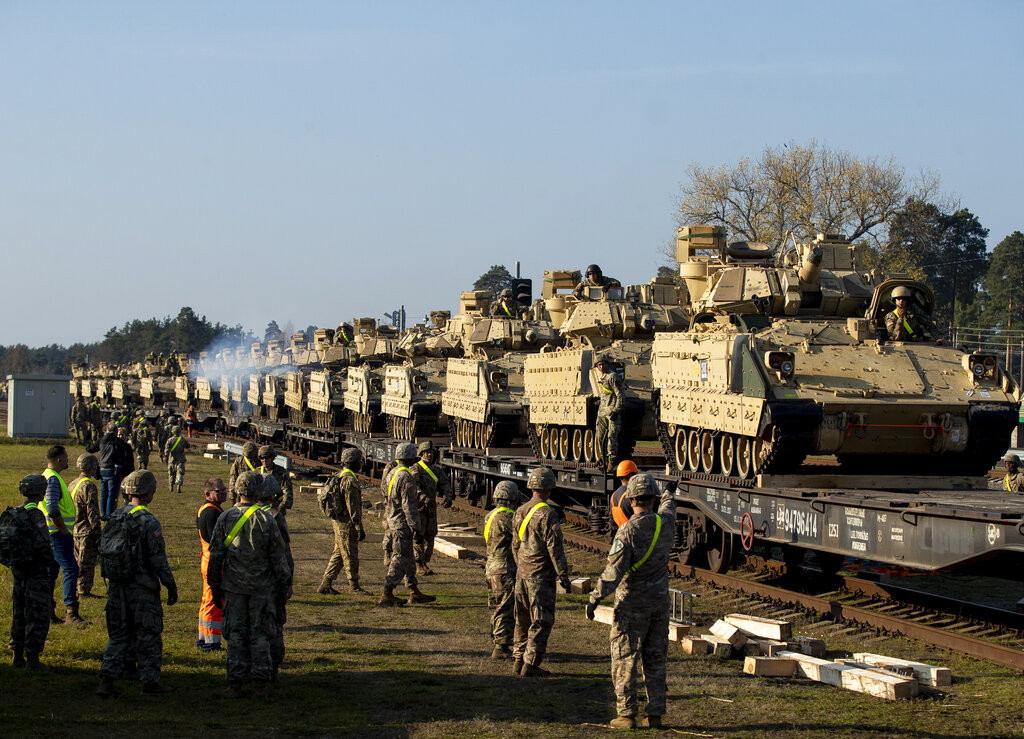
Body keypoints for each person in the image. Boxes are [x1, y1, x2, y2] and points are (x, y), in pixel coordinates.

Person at [586, 473, 676, 729]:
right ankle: (655, 714)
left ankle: (626, 715)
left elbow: (613, 574)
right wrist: (670, 492)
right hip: (659, 605)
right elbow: (669, 507)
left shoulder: (627, 531)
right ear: (653, 499)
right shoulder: (665, 524)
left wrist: (594, 598)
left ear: (631, 499)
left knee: (625, 658)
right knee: (655, 660)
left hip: (632, 605)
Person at [206, 471, 292, 698]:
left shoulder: (225, 518)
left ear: (237, 490)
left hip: (233, 589)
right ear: (258, 491)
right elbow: (279, 561)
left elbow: (215, 557)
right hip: (262, 590)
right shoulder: (267, 520)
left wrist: (215, 588)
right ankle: (260, 684)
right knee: (261, 635)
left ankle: (234, 684)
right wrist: (283, 590)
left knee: (235, 635)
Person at [96, 470, 178, 697]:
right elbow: (157, 559)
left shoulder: (114, 517)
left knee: (119, 635)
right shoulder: (148, 521)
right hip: (142, 589)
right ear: (148, 494)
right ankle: (150, 683)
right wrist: (169, 584)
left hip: (116, 585)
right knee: (148, 636)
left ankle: (106, 681)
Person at [511, 466, 571, 677]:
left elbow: (515, 544)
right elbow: (555, 549)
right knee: (542, 620)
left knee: (522, 618)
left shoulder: (520, 510)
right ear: (549, 488)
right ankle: (531, 664)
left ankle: (518, 659)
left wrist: (520, 565)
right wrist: (563, 575)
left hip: (521, 574)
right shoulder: (548, 514)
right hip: (540, 576)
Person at [6, 475, 57, 668]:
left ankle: (17, 656)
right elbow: (44, 545)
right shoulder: (36, 515)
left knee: (19, 612)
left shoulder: (15, 513)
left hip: (18, 571)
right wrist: (50, 562)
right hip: (35, 573)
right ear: (40, 492)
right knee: (36, 615)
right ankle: (33, 659)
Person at [379, 443, 435, 606]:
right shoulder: (406, 476)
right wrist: (416, 528)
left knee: (409, 558)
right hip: (402, 523)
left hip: (392, 519)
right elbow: (409, 506)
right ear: (411, 457)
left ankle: (413, 590)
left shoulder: (393, 472)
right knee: (400, 557)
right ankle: (387, 592)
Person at [42, 445, 86, 625]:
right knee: (71, 569)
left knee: (51, 572)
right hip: (57, 534)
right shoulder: (52, 479)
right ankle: (71, 612)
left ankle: (48, 610)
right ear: (59, 459)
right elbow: (52, 509)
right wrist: (63, 530)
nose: (68, 460)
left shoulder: (48, 476)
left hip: (50, 533)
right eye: (67, 457)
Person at [317, 447, 367, 594]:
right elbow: (353, 506)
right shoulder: (350, 480)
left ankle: (326, 583)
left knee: (339, 552)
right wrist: (358, 526)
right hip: (346, 522)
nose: (361, 464)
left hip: (338, 520)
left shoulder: (339, 476)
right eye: (359, 461)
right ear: (354, 462)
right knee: (350, 553)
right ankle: (354, 585)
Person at [259, 473, 293, 681]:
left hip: (242, 583)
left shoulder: (234, 515)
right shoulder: (274, 517)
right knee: (273, 626)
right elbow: (283, 553)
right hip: (270, 582)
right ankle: (271, 670)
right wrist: (287, 581)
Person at [484, 480, 522, 661]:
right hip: (504, 568)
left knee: (494, 605)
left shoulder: (490, 515)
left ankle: (497, 639)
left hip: (490, 566)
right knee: (505, 607)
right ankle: (500, 647)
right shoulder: (510, 518)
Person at [410, 440, 453, 576]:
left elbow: (445, 483)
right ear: (421, 454)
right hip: (419, 508)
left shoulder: (436, 470)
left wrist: (448, 495)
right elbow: (414, 487)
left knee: (431, 535)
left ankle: (425, 562)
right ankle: (418, 563)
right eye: (427, 453)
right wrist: (423, 498)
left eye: (431, 453)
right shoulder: (416, 469)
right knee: (418, 536)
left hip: (431, 508)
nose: (429, 455)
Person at [196, 477, 228, 651]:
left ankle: (203, 637)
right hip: (212, 561)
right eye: (219, 490)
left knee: (206, 599)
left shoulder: (205, 509)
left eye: (224, 489)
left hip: (206, 559)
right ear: (208, 493)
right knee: (213, 602)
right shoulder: (212, 513)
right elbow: (216, 541)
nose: (224, 492)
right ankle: (211, 642)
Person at [70, 453, 103, 599]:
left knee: (77, 559)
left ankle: (76, 587)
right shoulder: (89, 486)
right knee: (86, 562)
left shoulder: (73, 483)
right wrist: (97, 529)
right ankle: (83, 590)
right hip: (86, 529)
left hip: (74, 527)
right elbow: (92, 510)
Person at [594, 354, 624, 474]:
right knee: (600, 437)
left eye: (603, 364)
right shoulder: (603, 377)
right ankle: (602, 458)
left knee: (612, 437)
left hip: (611, 412)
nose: (601, 366)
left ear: (607, 364)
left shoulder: (612, 377)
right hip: (602, 412)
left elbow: (620, 395)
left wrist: (616, 410)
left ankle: (611, 462)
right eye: (599, 365)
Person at [258, 445, 293, 520]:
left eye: (266, 457)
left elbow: (287, 492)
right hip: (259, 509)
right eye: (261, 458)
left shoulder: (281, 472)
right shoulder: (257, 472)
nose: (264, 460)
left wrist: (281, 508)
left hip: (276, 509)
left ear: (273, 458)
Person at [609, 459, 639, 536]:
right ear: (630, 475)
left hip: (622, 536)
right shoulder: (632, 496)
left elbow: (612, 522)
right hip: (635, 537)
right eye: (635, 474)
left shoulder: (613, 496)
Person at [98, 423, 120, 518]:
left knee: (103, 493)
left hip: (102, 468)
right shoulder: (116, 441)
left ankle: (103, 513)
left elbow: (91, 448)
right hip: (111, 468)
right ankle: (109, 514)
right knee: (111, 494)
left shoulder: (102, 440)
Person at [164, 425, 189, 494]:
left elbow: (167, 450)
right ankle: (179, 485)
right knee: (180, 473)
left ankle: (171, 485)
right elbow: (187, 446)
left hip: (172, 459)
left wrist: (166, 457)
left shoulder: (170, 440)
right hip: (180, 459)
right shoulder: (182, 439)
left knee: (171, 473)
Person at [113, 426, 135, 501]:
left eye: (122, 434)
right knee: (114, 494)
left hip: (126, 472)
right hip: (116, 472)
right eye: (119, 435)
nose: (120, 436)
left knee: (126, 493)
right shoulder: (114, 446)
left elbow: (131, 461)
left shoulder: (128, 447)